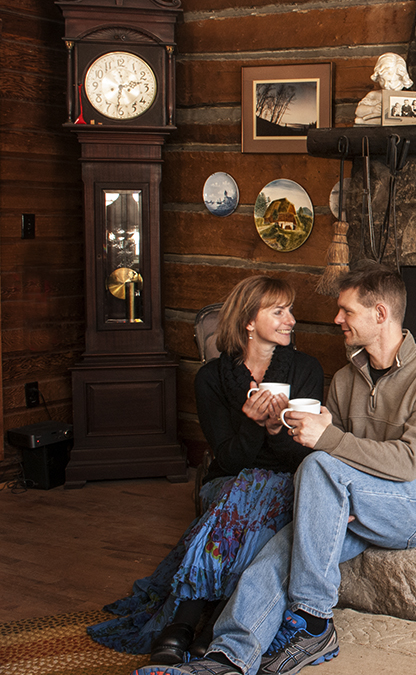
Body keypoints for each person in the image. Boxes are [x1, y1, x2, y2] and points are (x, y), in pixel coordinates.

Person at [135, 263, 416, 675]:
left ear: (380, 314)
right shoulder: (345, 379)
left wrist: (328, 448)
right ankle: (226, 658)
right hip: (355, 497)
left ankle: (313, 620)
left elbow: (409, 462)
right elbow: (331, 464)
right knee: (278, 553)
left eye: (346, 311)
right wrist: (333, 486)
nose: (336, 319)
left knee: (321, 465)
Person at [90, 275, 322, 665]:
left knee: (252, 497)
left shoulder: (305, 369)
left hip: (284, 481)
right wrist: (251, 425)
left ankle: (183, 622)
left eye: (290, 311)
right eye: (279, 311)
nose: (291, 320)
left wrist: (275, 430)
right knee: (243, 493)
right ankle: (213, 623)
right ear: (249, 321)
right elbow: (228, 460)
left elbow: (302, 456)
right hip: (229, 484)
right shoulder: (211, 378)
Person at [354, 53, 414, 126]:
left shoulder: (408, 98)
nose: (385, 85)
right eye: (382, 80)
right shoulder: (374, 95)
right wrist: (372, 109)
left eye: (390, 81)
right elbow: (358, 111)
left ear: (401, 79)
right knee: (359, 120)